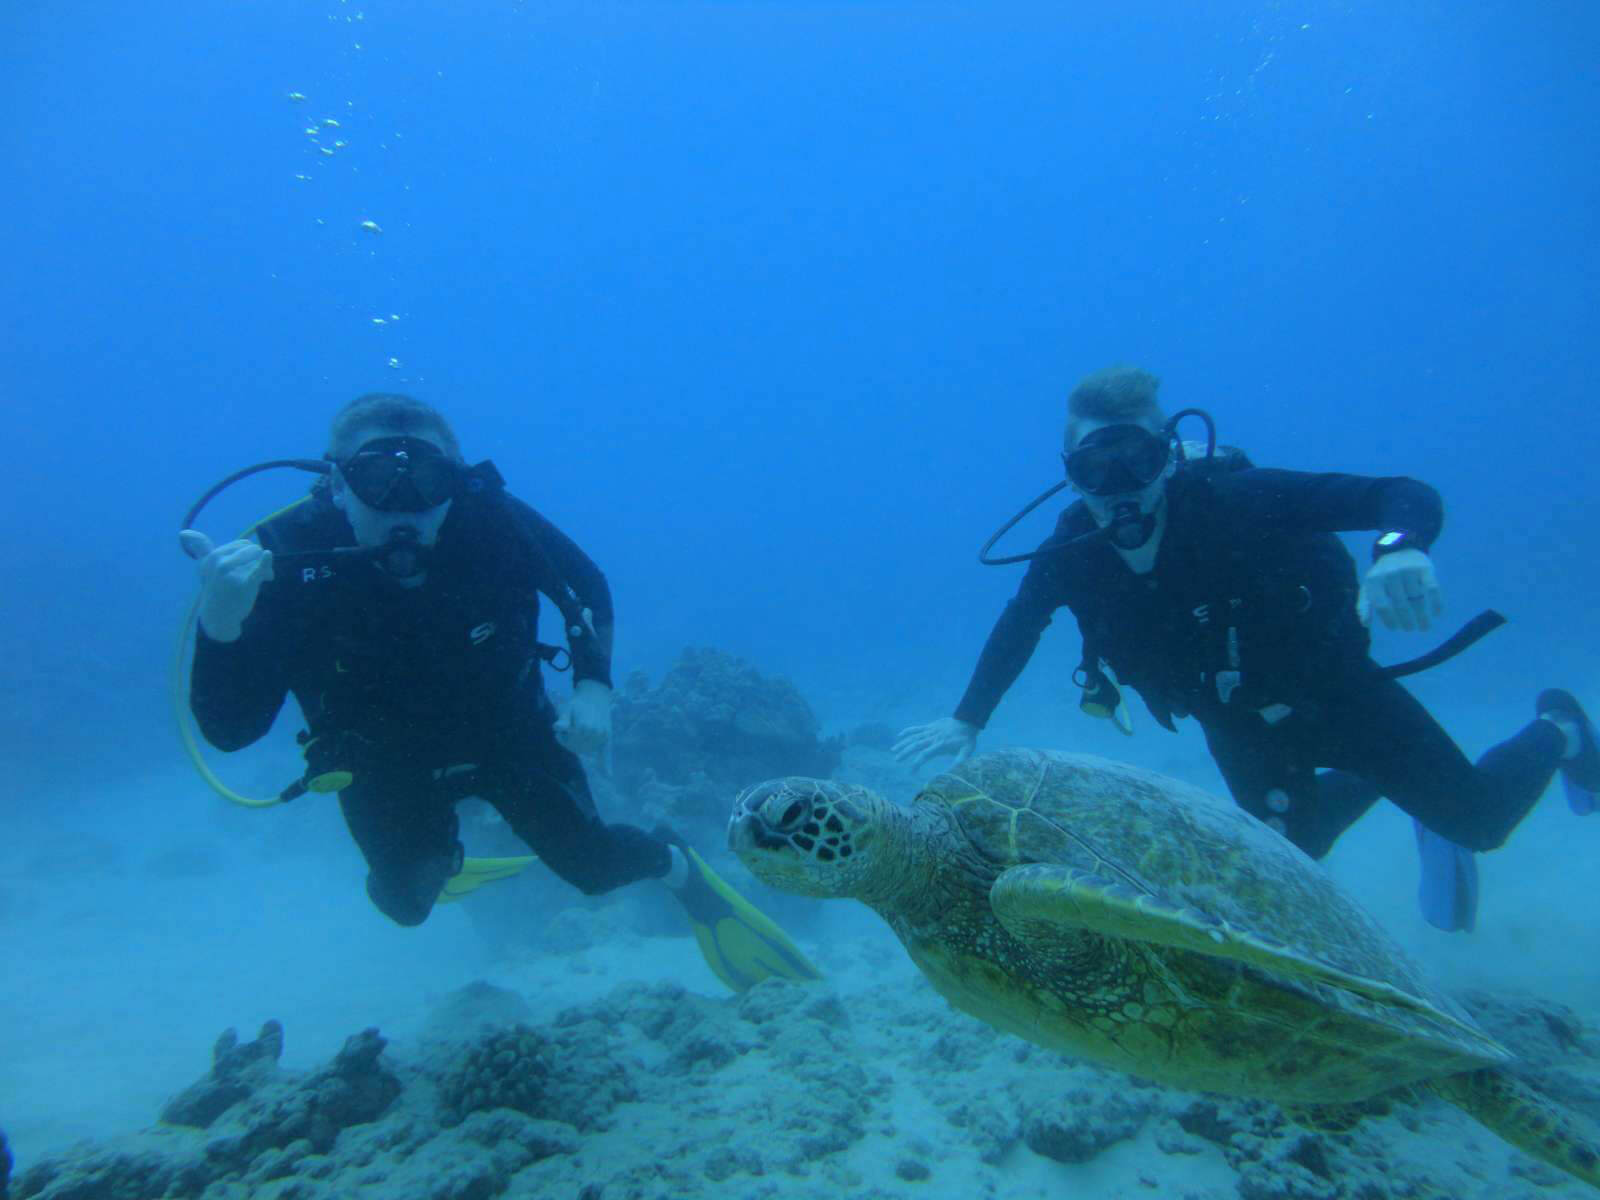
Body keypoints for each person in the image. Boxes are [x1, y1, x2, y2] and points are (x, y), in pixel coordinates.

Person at [895, 366, 1597, 932]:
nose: (1118, 488)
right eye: (1095, 467)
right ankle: (1401, 783)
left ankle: (1560, 728)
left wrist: (1399, 549)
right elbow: (1020, 624)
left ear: (1167, 456)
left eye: (1136, 460)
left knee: (1479, 822)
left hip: (1339, 695)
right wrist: (968, 718)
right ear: (1071, 471)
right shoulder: (1071, 551)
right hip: (1233, 723)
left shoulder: (1244, 500)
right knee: (1297, 850)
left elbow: (1399, 494)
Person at [180, 392, 819, 992]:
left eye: (428, 481)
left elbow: (588, 585)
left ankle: (678, 868)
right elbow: (230, 731)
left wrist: (594, 688)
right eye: (377, 481)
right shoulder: (280, 557)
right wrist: (222, 623)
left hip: (508, 731)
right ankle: (437, 856)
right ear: (337, 483)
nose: (404, 506)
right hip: (376, 758)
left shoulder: (490, 520)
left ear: (455, 483)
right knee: (404, 903)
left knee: (594, 869)